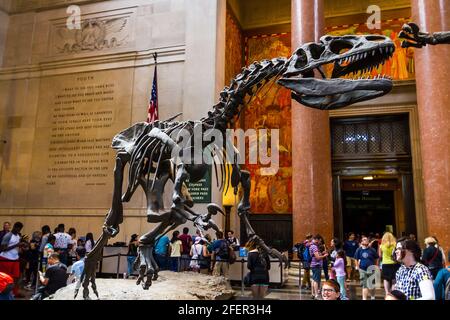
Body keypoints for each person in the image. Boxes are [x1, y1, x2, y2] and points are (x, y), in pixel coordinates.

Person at [0, 221, 27, 297]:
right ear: (14, 227)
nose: (19, 230)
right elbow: (2, 249)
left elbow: (16, 247)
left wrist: (22, 246)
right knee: (5, 278)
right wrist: (17, 245)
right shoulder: (8, 235)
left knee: (16, 277)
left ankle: (15, 293)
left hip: (15, 259)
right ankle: (4, 294)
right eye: (18, 228)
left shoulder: (18, 236)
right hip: (5, 259)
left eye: (20, 229)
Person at [354, 236, 379, 300]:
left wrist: (376, 266)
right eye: (364, 239)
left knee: (371, 285)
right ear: (361, 242)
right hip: (362, 269)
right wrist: (357, 267)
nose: (366, 240)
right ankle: (364, 298)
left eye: (367, 239)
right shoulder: (359, 250)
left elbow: (376, 258)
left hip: (371, 269)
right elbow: (356, 259)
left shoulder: (372, 249)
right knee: (364, 285)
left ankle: (372, 296)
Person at [379, 232, 399, 296]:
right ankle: (393, 293)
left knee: (386, 279)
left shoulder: (381, 246)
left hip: (385, 263)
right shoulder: (395, 245)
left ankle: (387, 292)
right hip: (394, 263)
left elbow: (380, 255)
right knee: (394, 280)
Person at [310, 234, 328, 300]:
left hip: (314, 264)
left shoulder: (312, 245)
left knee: (314, 279)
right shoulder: (314, 246)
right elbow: (317, 257)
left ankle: (313, 293)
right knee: (316, 280)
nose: (319, 241)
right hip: (316, 265)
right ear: (317, 239)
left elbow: (315, 255)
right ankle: (316, 295)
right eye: (319, 240)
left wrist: (321, 253)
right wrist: (324, 255)